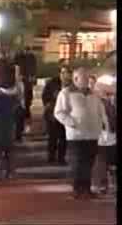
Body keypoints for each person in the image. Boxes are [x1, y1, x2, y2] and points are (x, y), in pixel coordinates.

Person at [54, 67, 109, 200]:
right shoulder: (66, 93)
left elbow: (101, 111)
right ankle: (77, 189)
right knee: (77, 163)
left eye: (87, 77)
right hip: (76, 135)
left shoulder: (93, 94)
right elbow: (59, 112)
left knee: (89, 163)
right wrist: (72, 122)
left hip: (92, 134)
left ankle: (87, 189)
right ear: (76, 78)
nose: (86, 80)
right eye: (83, 77)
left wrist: (103, 125)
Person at [42, 66, 71, 165]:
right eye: (62, 73)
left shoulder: (71, 85)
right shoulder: (52, 83)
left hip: (66, 115)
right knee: (52, 137)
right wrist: (48, 105)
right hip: (52, 114)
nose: (64, 75)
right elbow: (45, 96)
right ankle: (51, 157)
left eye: (66, 73)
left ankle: (61, 158)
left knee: (63, 137)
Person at [92, 76, 116, 195]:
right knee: (102, 161)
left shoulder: (111, 100)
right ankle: (102, 184)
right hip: (102, 135)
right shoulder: (97, 101)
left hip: (111, 135)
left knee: (110, 161)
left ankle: (109, 183)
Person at [14, 47, 37, 123]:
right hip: (22, 79)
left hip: (28, 80)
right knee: (23, 96)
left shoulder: (31, 57)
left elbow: (34, 68)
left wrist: (33, 77)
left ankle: (26, 112)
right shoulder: (19, 57)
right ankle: (24, 112)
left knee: (28, 97)